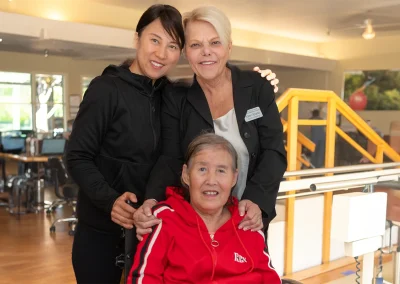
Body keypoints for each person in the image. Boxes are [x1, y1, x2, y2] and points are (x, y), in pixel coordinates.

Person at [66, 4, 279, 284]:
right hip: (117, 225)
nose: (161, 53)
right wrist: (119, 201)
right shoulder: (111, 90)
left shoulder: (171, 92)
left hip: (212, 222)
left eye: (172, 45)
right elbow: (79, 155)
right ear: (137, 38)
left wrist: (253, 82)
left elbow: (272, 150)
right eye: (154, 40)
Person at [135, 6, 287, 243]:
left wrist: (256, 201)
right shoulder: (176, 97)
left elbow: (274, 151)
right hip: (195, 224)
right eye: (196, 45)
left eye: (215, 43)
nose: (206, 52)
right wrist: (151, 200)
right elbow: (170, 158)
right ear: (186, 51)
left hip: (248, 218)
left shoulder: (257, 87)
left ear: (228, 46)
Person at [128, 133, 281, 284]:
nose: (211, 180)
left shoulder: (247, 222)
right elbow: (144, 278)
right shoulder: (164, 219)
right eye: (202, 169)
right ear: (186, 175)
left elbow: (269, 278)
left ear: (234, 178)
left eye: (221, 171)